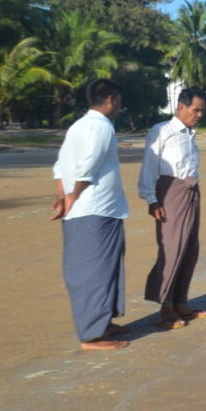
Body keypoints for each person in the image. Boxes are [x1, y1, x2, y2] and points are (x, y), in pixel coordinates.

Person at [50, 78, 130, 350]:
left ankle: (102, 323)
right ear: (110, 99)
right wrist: (72, 195)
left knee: (105, 267)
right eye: (118, 100)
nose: (119, 106)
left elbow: (59, 165)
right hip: (95, 210)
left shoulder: (78, 126)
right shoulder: (101, 126)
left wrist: (63, 197)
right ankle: (92, 335)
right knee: (94, 271)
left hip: (93, 210)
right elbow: (88, 165)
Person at [138, 87, 206, 329]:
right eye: (195, 110)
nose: (199, 115)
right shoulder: (162, 131)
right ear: (181, 107)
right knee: (172, 248)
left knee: (190, 247)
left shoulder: (190, 134)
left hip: (191, 191)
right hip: (170, 192)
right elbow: (149, 166)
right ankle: (165, 306)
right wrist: (151, 199)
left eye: (202, 111)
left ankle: (180, 302)